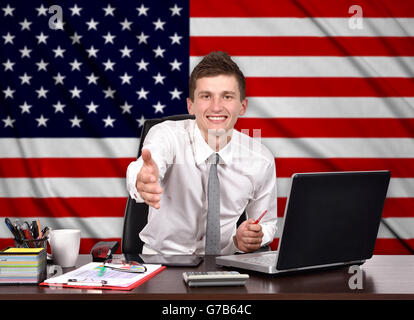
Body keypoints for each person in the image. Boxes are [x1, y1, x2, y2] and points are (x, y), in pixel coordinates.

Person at [126, 51, 277, 255]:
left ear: (242, 106)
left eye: (227, 96)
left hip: (226, 265)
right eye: (206, 96)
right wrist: (141, 180)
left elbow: (267, 223)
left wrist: (255, 235)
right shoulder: (166, 135)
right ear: (191, 105)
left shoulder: (260, 159)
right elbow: (147, 165)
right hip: (161, 263)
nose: (216, 107)